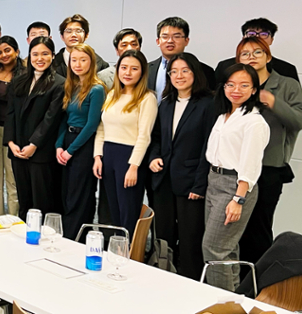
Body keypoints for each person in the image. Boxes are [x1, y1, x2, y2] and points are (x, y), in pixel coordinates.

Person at [235, 37, 302, 267]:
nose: (251, 57)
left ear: (268, 56)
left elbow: (300, 120)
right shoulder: (237, 85)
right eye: (245, 54)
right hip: (237, 167)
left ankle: (259, 282)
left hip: (269, 167)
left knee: (259, 228)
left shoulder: (286, 84)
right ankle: (238, 280)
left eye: (257, 52)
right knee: (236, 228)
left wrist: (273, 101)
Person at [202, 64, 269, 292]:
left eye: (244, 85)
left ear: (254, 90)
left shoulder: (254, 121)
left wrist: (238, 199)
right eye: (230, 84)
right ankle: (234, 300)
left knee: (213, 248)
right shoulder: (225, 115)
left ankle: (222, 302)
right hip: (215, 181)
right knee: (226, 249)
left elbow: (250, 164)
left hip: (235, 187)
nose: (236, 90)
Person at [147, 53, 214, 280]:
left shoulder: (208, 104)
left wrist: (200, 184)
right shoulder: (166, 103)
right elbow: (156, 138)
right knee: (163, 235)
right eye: (174, 71)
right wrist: (153, 157)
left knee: (190, 238)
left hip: (191, 182)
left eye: (185, 70)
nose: (179, 76)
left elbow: (209, 148)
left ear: (196, 73)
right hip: (164, 179)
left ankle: (191, 282)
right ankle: (163, 278)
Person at [93, 49, 157, 235]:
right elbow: (102, 128)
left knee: (128, 212)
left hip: (129, 158)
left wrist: (134, 166)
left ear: (142, 72)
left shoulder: (147, 98)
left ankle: (129, 255)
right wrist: (98, 157)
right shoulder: (112, 94)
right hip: (108, 156)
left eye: (134, 69)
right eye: (124, 67)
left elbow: (144, 136)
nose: (128, 73)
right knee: (113, 211)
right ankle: (117, 252)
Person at [3, 36, 65, 220]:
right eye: (35, 54)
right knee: (24, 200)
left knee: (42, 202)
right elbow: (10, 113)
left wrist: (33, 145)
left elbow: (50, 119)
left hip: (41, 152)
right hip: (18, 149)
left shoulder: (59, 83)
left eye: (45, 54)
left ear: (53, 56)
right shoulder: (19, 80)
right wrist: (11, 142)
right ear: (29, 56)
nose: (40, 58)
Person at [55, 43, 105, 240]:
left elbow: (92, 125)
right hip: (68, 139)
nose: (78, 64)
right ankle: (67, 235)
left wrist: (70, 151)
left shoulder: (96, 89)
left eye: (83, 60)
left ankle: (75, 239)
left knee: (80, 195)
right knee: (66, 193)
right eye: (74, 60)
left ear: (91, 62)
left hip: (84, 145)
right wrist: (59, 146)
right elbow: (64, 120)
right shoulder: (71, 85)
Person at [0, 36, 25, 217]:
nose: (3, 55)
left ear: (16, 51)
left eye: (7, 50)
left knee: (13, 180)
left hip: (16, 133)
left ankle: (14, 220)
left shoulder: (26, 73)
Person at [148, 16, 216, 102]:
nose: (170, 41)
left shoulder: (205, 71)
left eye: (176, 36)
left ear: (186, 41)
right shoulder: (146, 69)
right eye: (165, 37)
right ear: (158, 41)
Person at [215, 18, 299, 83]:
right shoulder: (225, 66)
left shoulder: (287, 69)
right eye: (251, 33)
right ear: (243, 38)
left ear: (271, 40)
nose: (257, 37)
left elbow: (295, 104)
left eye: (264, 34)